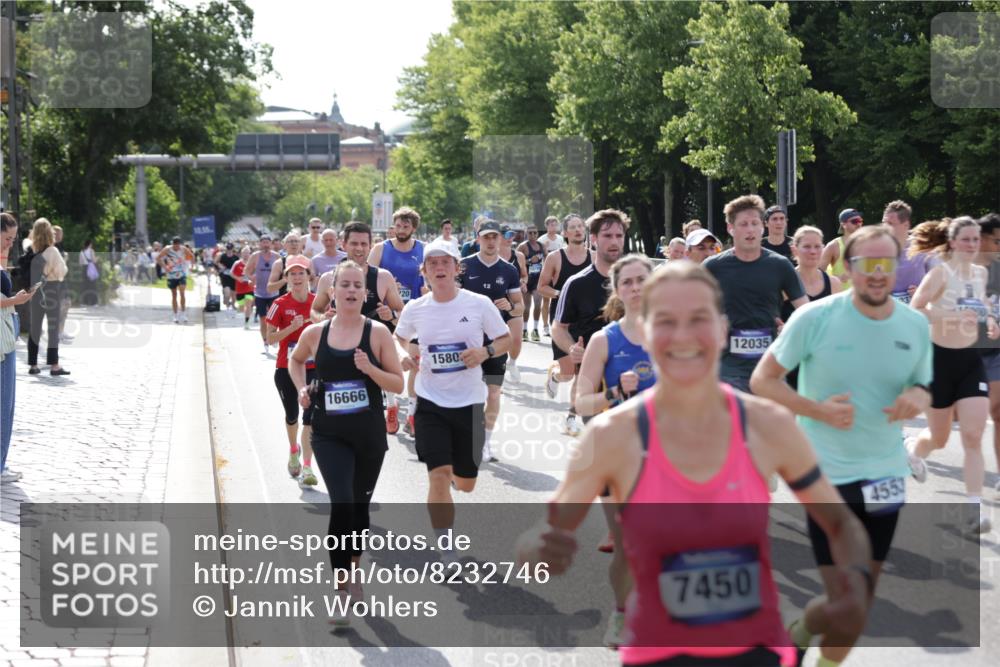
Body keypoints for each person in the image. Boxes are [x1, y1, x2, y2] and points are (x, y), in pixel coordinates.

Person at [517, 261, 872, 667]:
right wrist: (540, 549)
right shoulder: (612, 435)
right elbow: (542, 536)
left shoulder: (767, 424)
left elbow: (840, 524)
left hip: (755, 649)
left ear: (722, 329)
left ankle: (802, 632)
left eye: (698, 318)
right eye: (666, 320)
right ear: (647, 333)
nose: (683, 335)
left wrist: (856, 578)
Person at [751, 224, 933, 665]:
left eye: (885, 264)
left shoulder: (915, 324)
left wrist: (917, 397)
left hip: (887, 475)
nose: (876, 273)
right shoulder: (814, 318)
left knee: (857, 604)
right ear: (847, 268)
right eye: (865, 264)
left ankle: (801, 631)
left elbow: (925, 385)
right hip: (825, 475)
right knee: (848, 598)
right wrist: (816, 411)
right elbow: (762, 380)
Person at [290, 259, 403, 622]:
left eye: (357, 285)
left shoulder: (378, 333)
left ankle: (354, 569)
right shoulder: (315, 333)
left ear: (365, 293)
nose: (352, 290)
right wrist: (301, 391)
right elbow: (295, 362)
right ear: (333, 292)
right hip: (328, 434)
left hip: (368, 434)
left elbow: (398, 384)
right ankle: (340, 588)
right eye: (345, 285)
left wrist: (370, 369)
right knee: (341, 504)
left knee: (358, 509)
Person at [394, 239, 511, 553]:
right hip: (429, 402)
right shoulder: (415, 308)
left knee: (466, 483)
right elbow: (400, 337)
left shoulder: (478, 303)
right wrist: (408, 355)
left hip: (469, 402)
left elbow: (505, 339)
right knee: (439, 476)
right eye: (432, 263)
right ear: (425, 273)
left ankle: (455, 481)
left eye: (446, 262)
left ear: (457, 269)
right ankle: (446, 549)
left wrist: (484, 352)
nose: (439, 268)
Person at [573, 253, 655, 648]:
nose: (636, 288)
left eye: (643, 280)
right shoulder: (605, 339)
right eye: (628, 282)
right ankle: (621, 614)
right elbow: (581, 402)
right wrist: (614, 392)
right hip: (616, 452)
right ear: (617, 290)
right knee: (625, 540)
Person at [906, 217, 997, 534]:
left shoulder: (980, 273)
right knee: (940, 439)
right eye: (967, 240)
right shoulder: (939, 273)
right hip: (939, 363)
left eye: (976, 240)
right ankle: (914, 451)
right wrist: (950, 314)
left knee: (973, 436)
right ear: (954, 242)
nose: (973, 245)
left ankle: (975, 509)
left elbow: (980, 302)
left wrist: (991, 319)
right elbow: (916, 308)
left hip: (970, 361)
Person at [704, 195, 807, 393]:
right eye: (743, 224)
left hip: (769, 364)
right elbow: (689, 308)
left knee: (772, 421)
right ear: (730, 228)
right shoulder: (713, 267)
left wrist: (789, 328)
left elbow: (806, 310)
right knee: (738, 420)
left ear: (762, 227)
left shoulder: (780, 265)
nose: (750, 229)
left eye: (754, 223)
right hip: (727, 367)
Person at [314, 222, 405, 432]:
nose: (359, 248)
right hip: (341, 344)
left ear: (370, 246)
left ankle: (390, 404)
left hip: (374, 345)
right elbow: (315, 310)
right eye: (354, 243)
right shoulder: (329, 278)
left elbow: (402, 314)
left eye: (364, 244)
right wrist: (322, 318)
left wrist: (390, 315)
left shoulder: (382, 277)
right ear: (343, 244)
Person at [552, 210, 628, 436]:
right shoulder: (577, 284)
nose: (614, 241)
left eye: (619, 235)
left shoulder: (637, 279)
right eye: (607, 236)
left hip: (632, 372)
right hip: (594, 377)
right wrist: (572, 349)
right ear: (593, 239)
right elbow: (559, 327)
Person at [459, 221, 524, 462]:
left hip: (497, 343)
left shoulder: (509, 270)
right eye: (486, 237)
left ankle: (485, 444)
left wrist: (511, 306)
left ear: (501, 240)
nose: (490, 241)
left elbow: (520, 308)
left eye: (494, 237)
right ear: (478, 239)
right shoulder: (464, 266)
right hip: (467, 342)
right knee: (468, 395)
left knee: (494, 394)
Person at [369, 208, 425, 434]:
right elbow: (369, 276)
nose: (401, 230)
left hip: (415, 312)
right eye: (398, 226)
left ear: (413, 228)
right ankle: (391, 406)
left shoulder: (423, 249)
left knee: (415, 361)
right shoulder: (381, 248)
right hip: (386, 312)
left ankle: (412, 413)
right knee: (388, 362)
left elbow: (429, 276)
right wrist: (388, 287)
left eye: (406, 226)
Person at [266, 255, 319, 486]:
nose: (297, 278)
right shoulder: (280, 304)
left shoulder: (318, 302)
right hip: (285, 368)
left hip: (314, 369)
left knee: (310, 418)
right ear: (286, 278)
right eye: (292, 274)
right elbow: (270, 339)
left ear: (309, 276)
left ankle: (307, 467)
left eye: (301, 273)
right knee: (292, 416)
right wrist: (291, 328)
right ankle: (293, 449)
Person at [538, 215, 592, 425]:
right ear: (565, 233)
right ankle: (555, 376)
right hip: (562, 321)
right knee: (568, 373)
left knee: (582, 370)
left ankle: (572, 415)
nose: (578, 230)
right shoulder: (555, 258)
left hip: (586, 321)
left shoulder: (594, 257)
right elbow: (542, 287)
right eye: (573, 227)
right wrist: (563, 294)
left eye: (581, 226)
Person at [779, 226, 843, 389]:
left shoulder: (833, 284)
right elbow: (773, 320)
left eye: (817, 246)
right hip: (790, 361)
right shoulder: (783, 285)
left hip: (822, 361)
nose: (813, 251)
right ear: (795, 250)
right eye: (807, 247)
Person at [2, 213, 38, 483]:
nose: (10, 244)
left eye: (13, 239)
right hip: (2, 339)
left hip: (7, 332)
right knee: (5, 404)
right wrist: (15, 300)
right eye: (6, 238)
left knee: (8, 404)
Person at [974, 211, 1000, 498]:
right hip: (965, 354)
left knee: (999, 411)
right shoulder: (961, 270)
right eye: (997, 241)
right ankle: (916, 448)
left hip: (996, 352)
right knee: (964, 423)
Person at [26, 218, 70, 376]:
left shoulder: (31, 249)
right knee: (53, 327)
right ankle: (54, 365)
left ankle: (33, 364)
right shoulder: (53, 251)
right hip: (51, 289)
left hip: (35, 290)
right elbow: (61, 273)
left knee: (35, 327)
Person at [882, 200, 929, 304]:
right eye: (884, 223)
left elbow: (940, 284)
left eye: (890, 224)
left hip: (917, 315)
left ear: (906, 225)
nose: (885, 228)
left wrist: (921, 294)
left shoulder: (923, 249)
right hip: (887, 315)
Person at [499, 225, 528, 382]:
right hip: (494, 302)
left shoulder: (519, 256)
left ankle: (512, 363)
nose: (511, 237)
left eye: (512, 234)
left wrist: (523, 282)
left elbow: (524, 275)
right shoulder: (491, 255)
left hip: (514, 302)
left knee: (516, 339)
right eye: (507, 234)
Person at [245, 235, 281, 354]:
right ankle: (265, 341)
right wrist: (251, 278)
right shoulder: (255, 256)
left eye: (267, 242)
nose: (265, 245)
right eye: (263, 243)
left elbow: (283, 271)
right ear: (260, 244)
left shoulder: (276, 256)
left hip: (274, 293)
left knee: (274, 319)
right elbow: (247, 270)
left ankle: (274, 338)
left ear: (271, 244)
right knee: (263, 319)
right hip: (260, 293)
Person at [820, 209, 864, 288]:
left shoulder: (868, 243)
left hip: (864, 297)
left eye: (860, 221)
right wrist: (838, 279)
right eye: (854, 221)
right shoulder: (833, 246)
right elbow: (818, 274)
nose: (859, 224)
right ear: (843, 224)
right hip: (841, 297)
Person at [157, 236, 195, 324]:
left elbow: (192, 256)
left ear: (180, 244)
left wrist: (191, 267)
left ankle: (184, 314)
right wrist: (165, 267)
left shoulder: (183, 249)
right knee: (174, 294)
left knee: (182, 292)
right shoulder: (167, 249)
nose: (177, 247)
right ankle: (175, 315)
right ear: (172, 244)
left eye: (178, 245)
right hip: (171, 274)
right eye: (175, 245)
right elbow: (158, 258)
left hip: (181, 273)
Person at [518, 226, 546, 341]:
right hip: (526, 280)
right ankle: (524, 330)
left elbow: (547, 260)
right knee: (527, 307)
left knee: (538, 304)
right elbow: (517, 262)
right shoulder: (523, 246)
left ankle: (535, 329)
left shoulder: (542, 246)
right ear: (526, 234)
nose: (533, 235)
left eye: (535, 233)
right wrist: (529, 261)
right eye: (530, 233)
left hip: (537, 279)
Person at [267, 233, 304, 297]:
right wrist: (284, 280)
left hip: (303, 300)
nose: (294, 244)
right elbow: (270, 288)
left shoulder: (307, 261)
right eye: (291, 241)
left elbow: (312, 282)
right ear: (284, 245)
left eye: (296, 241)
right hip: (286, 302)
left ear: (300, 244)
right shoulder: (279, 263)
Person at [230, 246, 255, 328]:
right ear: (241, 254)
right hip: (240, 288)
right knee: (241, 307)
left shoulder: (253, 264)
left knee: (248, 305)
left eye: (247, 253)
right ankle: (241, 312)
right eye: (244, 253)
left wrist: (252, 279)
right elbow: (231, 273)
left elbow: (256, 274)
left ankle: (246, 323)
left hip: (249, 287)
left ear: (250, 254)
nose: (246, 255)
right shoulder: (237, 263)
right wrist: (238, 278)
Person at [215, 243, 240, 311]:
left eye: (230, 248)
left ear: (232, 249)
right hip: (225, 276)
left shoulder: (236, 257)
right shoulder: (222, 256)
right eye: (228, 248)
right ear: (226, 249)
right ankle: (227, 304)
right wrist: (220, 266)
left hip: (233, 277)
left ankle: (233, 304)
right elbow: (215, 263)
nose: (229, 250)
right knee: (227, 293)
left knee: (234, 294)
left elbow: (239, 266)